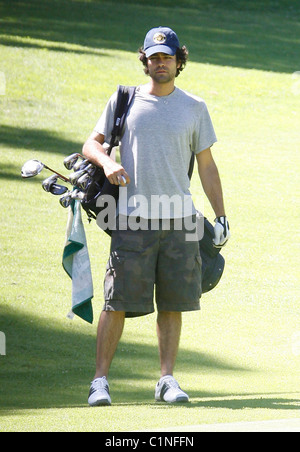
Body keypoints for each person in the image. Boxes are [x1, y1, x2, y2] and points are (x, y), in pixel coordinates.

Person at [82, 26, 230, 406]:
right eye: (153, 57)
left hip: (180, 220)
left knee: (172, 302)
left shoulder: (194, 107)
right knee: (116, 302)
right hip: (132, 218)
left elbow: (207, 166)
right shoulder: (124, 101)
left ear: (180, 60)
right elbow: (90, 145)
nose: (160, 63)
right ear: (144, 60)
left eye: (167, 57)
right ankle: (99, 382)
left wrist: (221, 216)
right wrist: (107, 162)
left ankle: (166, 379)